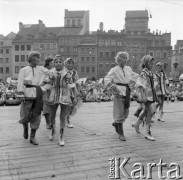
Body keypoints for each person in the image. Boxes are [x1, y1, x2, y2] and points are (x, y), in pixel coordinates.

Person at [17, 51, 52, 145]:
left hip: (38, 94)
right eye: (37, 57)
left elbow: (51, 74)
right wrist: (20, 93)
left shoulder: (41, 69)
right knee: (25, 114)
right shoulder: (24, 70)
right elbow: (20, 82)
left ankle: (32, 136)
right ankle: (25, 126)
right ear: (32, 58)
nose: (39, 59)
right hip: (27, 94)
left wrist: (44, 87)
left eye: (39, 57)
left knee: (36, 114)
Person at [104, 51, 138, 141]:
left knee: (126, 111)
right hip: (118, 91)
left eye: (126, 58)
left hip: (127, 91)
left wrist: (142, 77)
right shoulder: (114, 69)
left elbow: (134, 76)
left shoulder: (128, 68)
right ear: (118, 60)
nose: (125, 60)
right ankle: (121, 133)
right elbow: (107, 79)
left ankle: (116, 124)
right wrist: (113, 87)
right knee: (119, 112)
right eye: (123, 58)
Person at [47, 55, 77, 146]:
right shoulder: (51, 73)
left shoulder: (67, 73)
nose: (58, 63)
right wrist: (46, 95)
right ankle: (53, 131)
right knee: (52, 115)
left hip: (65, 95)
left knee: (63, 116)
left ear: (62, 63)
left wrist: (74, 97)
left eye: (60, 62)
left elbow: (72, 85)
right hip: (54, 96)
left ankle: (61, 136)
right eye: (56, 62)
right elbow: (48, 85)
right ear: (54, 63)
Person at [132, 55, 157, 141]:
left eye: (153, 64)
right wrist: (143, 96)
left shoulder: (149, 73)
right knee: (150, 112)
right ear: (146, 63)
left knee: (146, 112)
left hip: (150, 95)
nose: (152, 65)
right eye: (151, 64)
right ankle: (147, 132)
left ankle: (136, 124)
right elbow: (140, 85)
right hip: (146, 96)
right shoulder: (144, 73)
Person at [64, 57, 79, 128]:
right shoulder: (63, 71)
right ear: (65, 64)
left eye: (71, 64)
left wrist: (78, 92)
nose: (70, 65)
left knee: (73, 105)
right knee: (67, 105)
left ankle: (67, 117)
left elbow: (76, 82)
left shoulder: (75, 72)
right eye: (68, 63)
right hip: (65, 90)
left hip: (73, 90)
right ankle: (67, 120)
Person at [42, 57, 54, 129]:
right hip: (45, 89)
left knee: (52, 106)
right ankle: (47, 123)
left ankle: (51, 122)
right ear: (48, 63)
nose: (53, 64)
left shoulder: (53, 70)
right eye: (52, 63)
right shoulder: (43, 70)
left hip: (53, 89)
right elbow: (42, 80)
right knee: (46, 106)